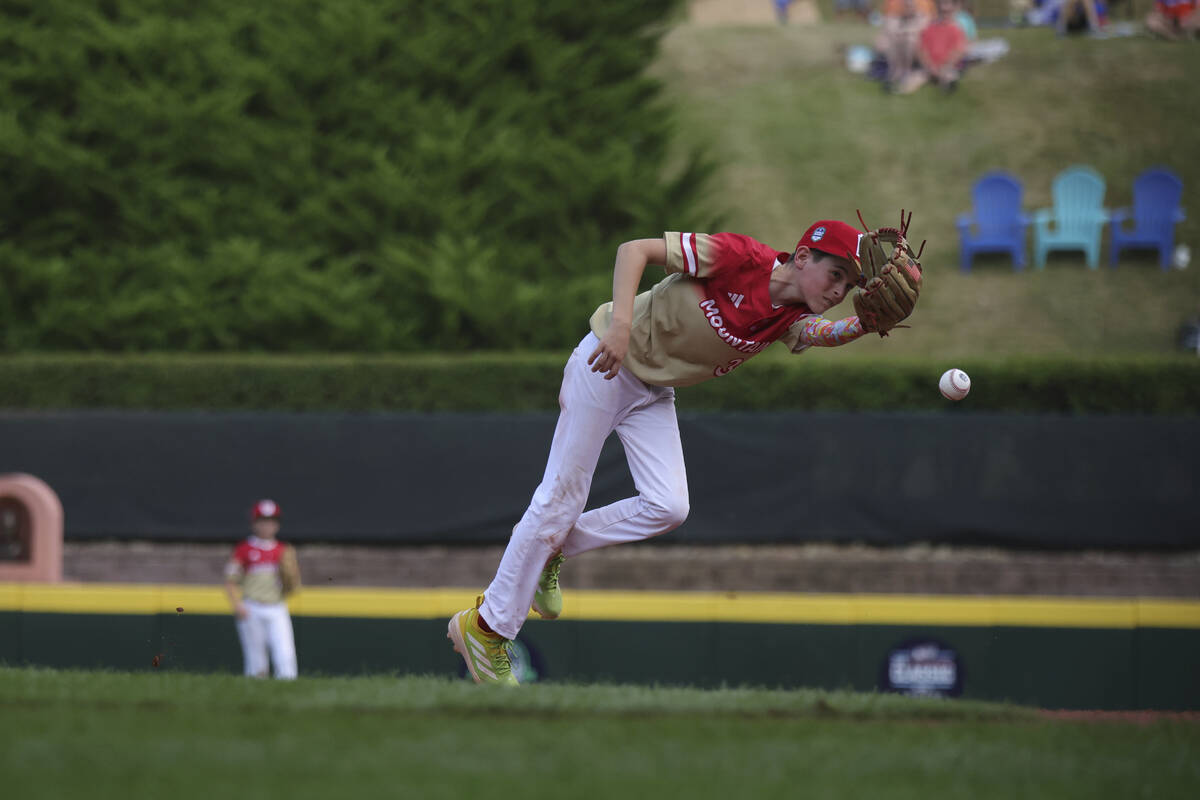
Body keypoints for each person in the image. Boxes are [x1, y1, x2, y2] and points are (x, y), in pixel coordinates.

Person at [447, 219, 922, 685]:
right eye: (835, 274)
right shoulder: (739, 258)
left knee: (668, 506)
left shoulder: (791, 316)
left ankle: (552, 549)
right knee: (560, 498)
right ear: (801, 257)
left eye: (849, 284)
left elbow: (821, 334)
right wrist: (620, 326)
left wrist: (864, 325)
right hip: (606, 364)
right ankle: (486, 629)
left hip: (653, 390)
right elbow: (634, 250)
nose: (840, 290)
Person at [223, 499, 301, 679]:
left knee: (285, 655)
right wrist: (237, 605)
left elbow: (292, 587)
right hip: (252, 607)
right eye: (263, 521)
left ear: (277, 524)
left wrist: (291, 580)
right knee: (256, 660)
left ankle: (288, 689)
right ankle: (255, 692)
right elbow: (230, 580)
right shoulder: (244, 549)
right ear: (254, 523)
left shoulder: (283, 550)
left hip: (277, 607)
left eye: (272, 521)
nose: (267, 525)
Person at [898, 0, 970, 93]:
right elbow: (921, 49)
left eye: (947, 12)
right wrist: (929, 66)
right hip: (929, 67)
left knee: (949, 75)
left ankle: (946, 85)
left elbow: (958, 50)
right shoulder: (929, 27)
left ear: (953, 11)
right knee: (915, 79)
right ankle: (900, 90)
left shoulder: (956, 29)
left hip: (947, 67)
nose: (944, 14)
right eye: (941, 11)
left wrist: (945, 66)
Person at [878, 0, 936, 91]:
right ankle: (896, 69)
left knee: (909, 39)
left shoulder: (921, 17)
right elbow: (888, 28)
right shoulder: (898, 17)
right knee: (892, 40)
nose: (908, 8)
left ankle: (905, 70)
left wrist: (902, 32)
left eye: (910, 6)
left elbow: (918, 30)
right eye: (906, 6)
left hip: (919, 48)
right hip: (901, 45)